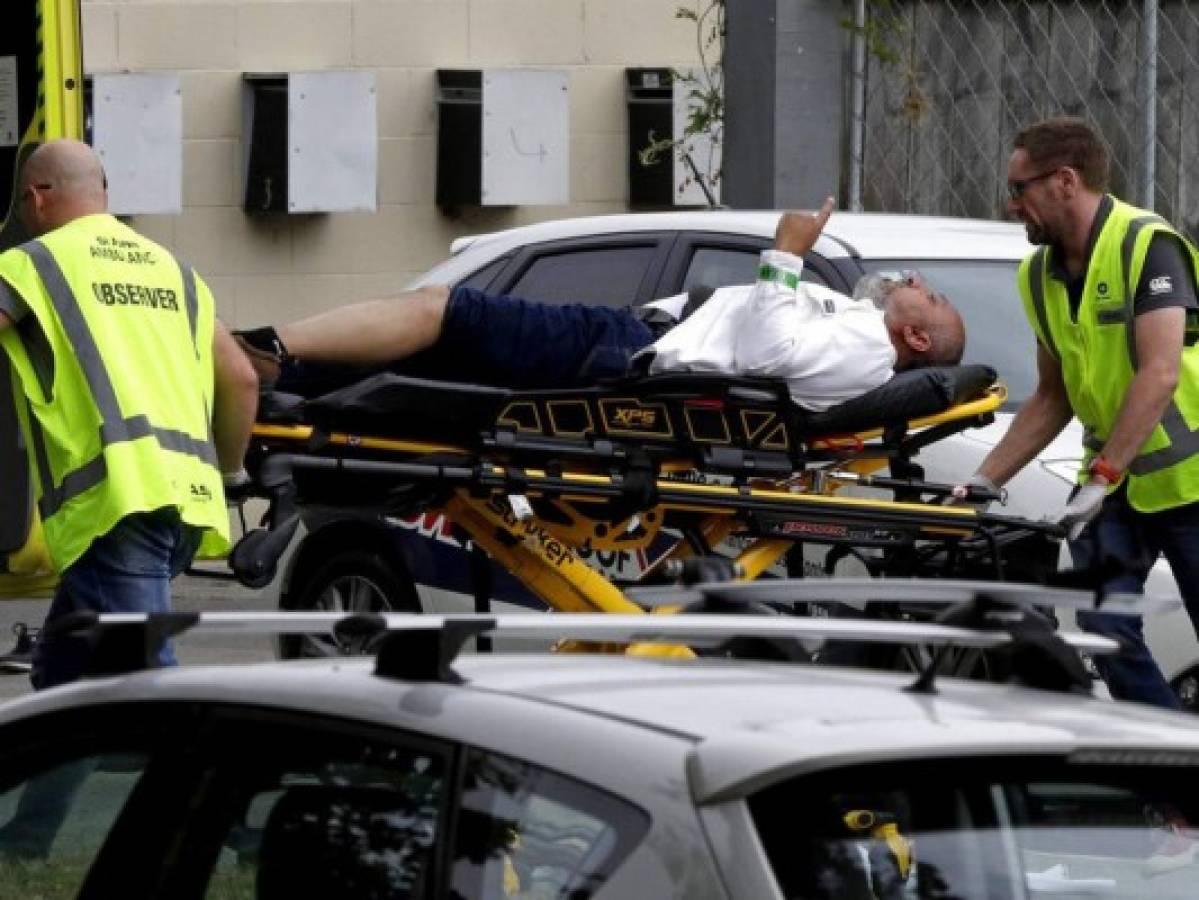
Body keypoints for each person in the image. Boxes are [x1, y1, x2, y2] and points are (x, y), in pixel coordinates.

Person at [236, 200, 965, 412]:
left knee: (440, 309)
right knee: (425, 352)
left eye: (922, 293)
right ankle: (273, 384)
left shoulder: (868, 345)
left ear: (917, 339)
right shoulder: (855, 325)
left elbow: (769, 354)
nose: (909, 279)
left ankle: (261, 349)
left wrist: (783, 251)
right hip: (635, 341)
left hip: (632, 354)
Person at [956, 117, 1199, 713]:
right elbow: (1051, 396)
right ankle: (1178, 779)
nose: (1011, 204)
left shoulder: (1147, 243)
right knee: (1104, 633)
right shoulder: (1037, 275)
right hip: (1113, 486)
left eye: (1020, 189)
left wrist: (1102, 478)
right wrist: (987, 479)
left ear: (1065, 180)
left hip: (1188, 481)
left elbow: (1160, 372)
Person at [0, 139, 259, 689]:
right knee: (60, 681)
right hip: (186, 505)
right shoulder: (177, 272)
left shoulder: (34, 263)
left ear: (36, 198)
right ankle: (42, 775)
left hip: (116, 507)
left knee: (149, 686)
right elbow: (241, 378)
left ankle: (199, 775)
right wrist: (232, 474)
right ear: (103, 195)